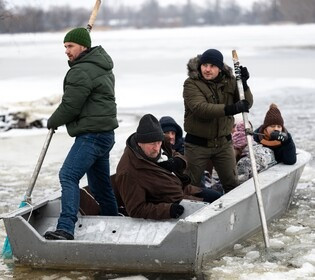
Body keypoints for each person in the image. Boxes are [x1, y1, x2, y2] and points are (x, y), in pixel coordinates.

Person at [44, 27, 119, 240]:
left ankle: (65, 228)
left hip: (92, 135)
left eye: (70, 46)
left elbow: (70, 106)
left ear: (83, 46)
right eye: (65, 46)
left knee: (68, 175)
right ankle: (114, 223)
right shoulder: (101, 66)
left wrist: (53, 121)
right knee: (100, 184)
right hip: (105, 134)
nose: (66, 51)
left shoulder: (81, 71)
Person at [114, 114, 222, 220]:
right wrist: (167, 210)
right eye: (152, 144)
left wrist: (178, 161)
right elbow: (136, 209)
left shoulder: (160, 143)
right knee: (211, 211)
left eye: (158, 143)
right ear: (139, 143)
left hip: (184, 189)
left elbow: (175, 153)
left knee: (217, 198)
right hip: (169, 202)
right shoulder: (128, 171)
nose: (156, 148)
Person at [183, 48, 253, 193]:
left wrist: (244, 85)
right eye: (204, 65)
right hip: (197, 145)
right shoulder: (191, 83)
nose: (207, 69)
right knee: (190, 187)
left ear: (220, 68)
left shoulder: (230, 82)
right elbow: (201, 108)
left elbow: (247, 103)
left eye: (212, 66)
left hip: (223, 144)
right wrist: (231, 109)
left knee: (232, 185)